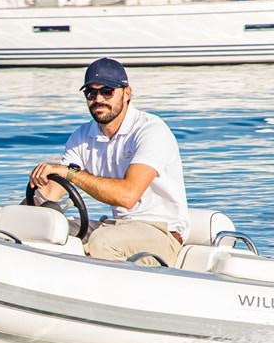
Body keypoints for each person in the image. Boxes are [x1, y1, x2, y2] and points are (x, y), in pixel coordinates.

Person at [28, 57, 189, 266]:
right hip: (116, 226)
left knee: (102, 243)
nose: (98, 99)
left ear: (127, 93)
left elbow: (128, 196)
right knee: (51, 229)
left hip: (162, 232)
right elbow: (51, 193)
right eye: (91, 93)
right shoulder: (82, 136)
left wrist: (69, 174)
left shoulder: (151, 130)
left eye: (107, 91)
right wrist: (33, 201)